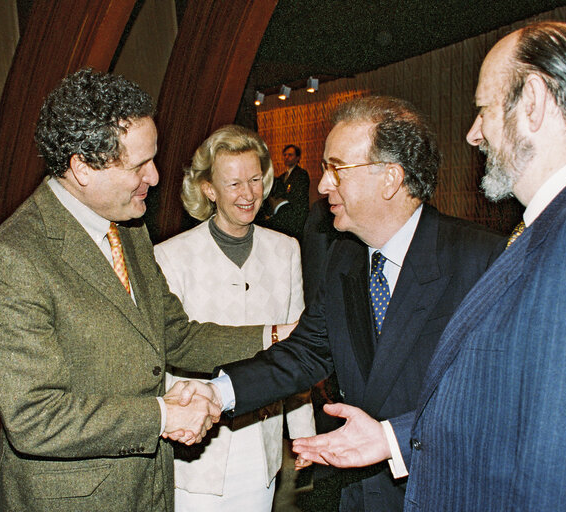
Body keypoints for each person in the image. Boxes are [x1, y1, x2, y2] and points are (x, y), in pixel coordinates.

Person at [291, 22, 566, 512]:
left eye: (483, 109)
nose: (473, 133)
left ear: (533, 100)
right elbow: (518, 403)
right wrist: (392, 438)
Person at [0, 68, 291, 511]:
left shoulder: (129, 230)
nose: (156, 177)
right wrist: (164, 414)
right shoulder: (12, 258)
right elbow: (35, 417)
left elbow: (176, 336)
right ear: (83, 167)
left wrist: (276, 336)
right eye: (140, 164)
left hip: (149, 488)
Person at [214, 95, 506, 511]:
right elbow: (307, 352)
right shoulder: (344, 257)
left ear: (390, 178)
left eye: (337, 169)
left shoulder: (481, 261)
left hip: (441, 492)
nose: (322, 185)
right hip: (362, 496)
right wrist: (219, 393)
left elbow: (497, 400)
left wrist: (391, 437)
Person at [153, 125, 314, 511]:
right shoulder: (170, 256)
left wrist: (304, 433)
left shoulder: (286, 250)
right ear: (209, 189)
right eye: (234, 183)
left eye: (256, 179)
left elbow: (301, 351)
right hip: (197, 452)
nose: (248, 194)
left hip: (262, 445)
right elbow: (173, 349)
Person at [257, 145, 310, 239]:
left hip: (296, 217)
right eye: (285, 155)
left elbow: (298, 198)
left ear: (298, 157)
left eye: (290, 155)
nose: (286, 157)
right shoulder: (282, 177)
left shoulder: (301, 174)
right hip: (282, 215)